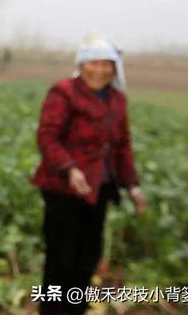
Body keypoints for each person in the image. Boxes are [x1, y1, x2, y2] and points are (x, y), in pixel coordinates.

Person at [31, 34, 147, 315]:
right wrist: (70, 168)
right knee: (61, 258)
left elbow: (122, 145)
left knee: (88, 256)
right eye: (93, 63)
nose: (100, 70)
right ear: (82, 65)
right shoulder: (64, 93)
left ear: (115, 68)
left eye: (107, 64)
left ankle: (76, 309)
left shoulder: (117, 100)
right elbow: (48, 137)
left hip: (99, 189)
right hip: (63, 189)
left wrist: (132, 185)